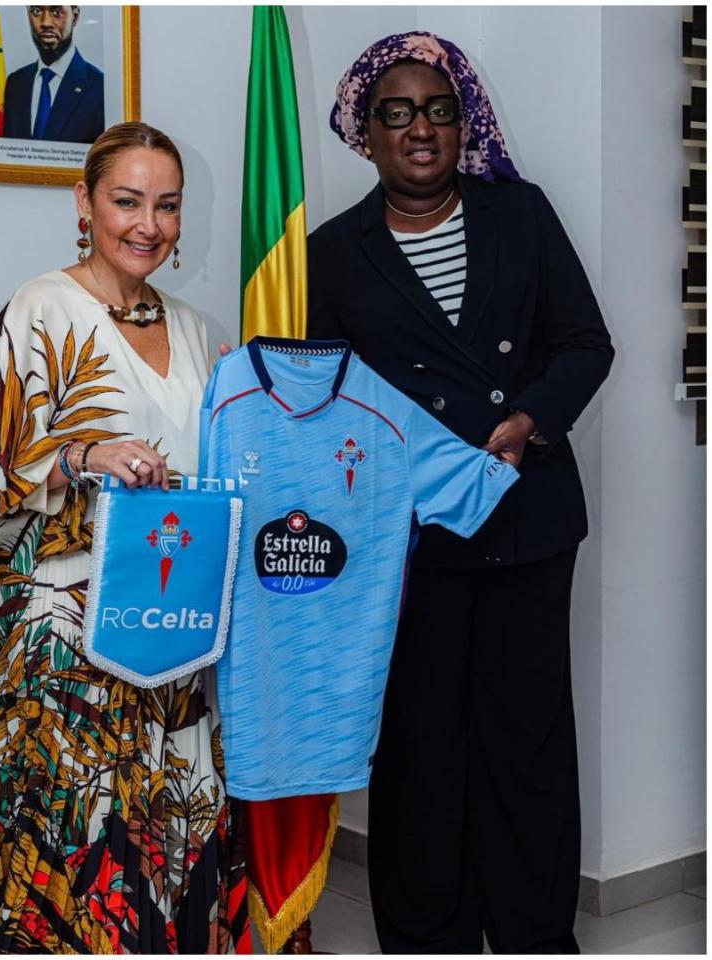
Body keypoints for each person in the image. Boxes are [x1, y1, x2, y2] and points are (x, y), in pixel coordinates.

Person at [308, 33, 613, 953]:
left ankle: (530, 932)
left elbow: (586, 345)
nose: (420, 129)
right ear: (366, 134)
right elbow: (320, 399)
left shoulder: (522, 215)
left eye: (438, 109)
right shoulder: (331, 251)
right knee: (421, 744)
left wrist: (528, 419)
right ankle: (428, 932)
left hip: (526, 515)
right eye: (395, 113)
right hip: (408, 538)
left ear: (463, 121)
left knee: (525, 742)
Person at [0, 122, 245, 951]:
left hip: (174, 631)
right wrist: (85, 454)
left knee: (174, 844)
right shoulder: (41, 308)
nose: (147, 224)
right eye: (127, 201)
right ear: (84, 203)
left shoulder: (196, 330)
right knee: (77, 850)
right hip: (68, 652)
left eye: (167, 205)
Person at [0, 5, 104, 144]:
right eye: (36, 11)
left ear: (75, 17)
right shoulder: (16, 83)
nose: (45, 23)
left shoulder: (99, 87)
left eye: (56, 12)